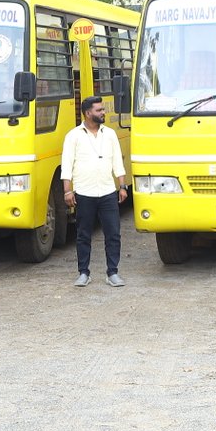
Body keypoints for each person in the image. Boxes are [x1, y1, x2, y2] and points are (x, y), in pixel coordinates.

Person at [63, 95, 129, 288]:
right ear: (88, 113)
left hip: (108, 191)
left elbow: (118, 160)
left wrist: (122, 186)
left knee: (113, 234)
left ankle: (113, 272)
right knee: (83, 234)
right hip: (84, 192)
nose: (103, 112)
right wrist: (68, 191)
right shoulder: (73, 136)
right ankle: (84, 272)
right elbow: (67, 165)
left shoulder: (109, 134)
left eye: (102, 109)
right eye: (99, 110)